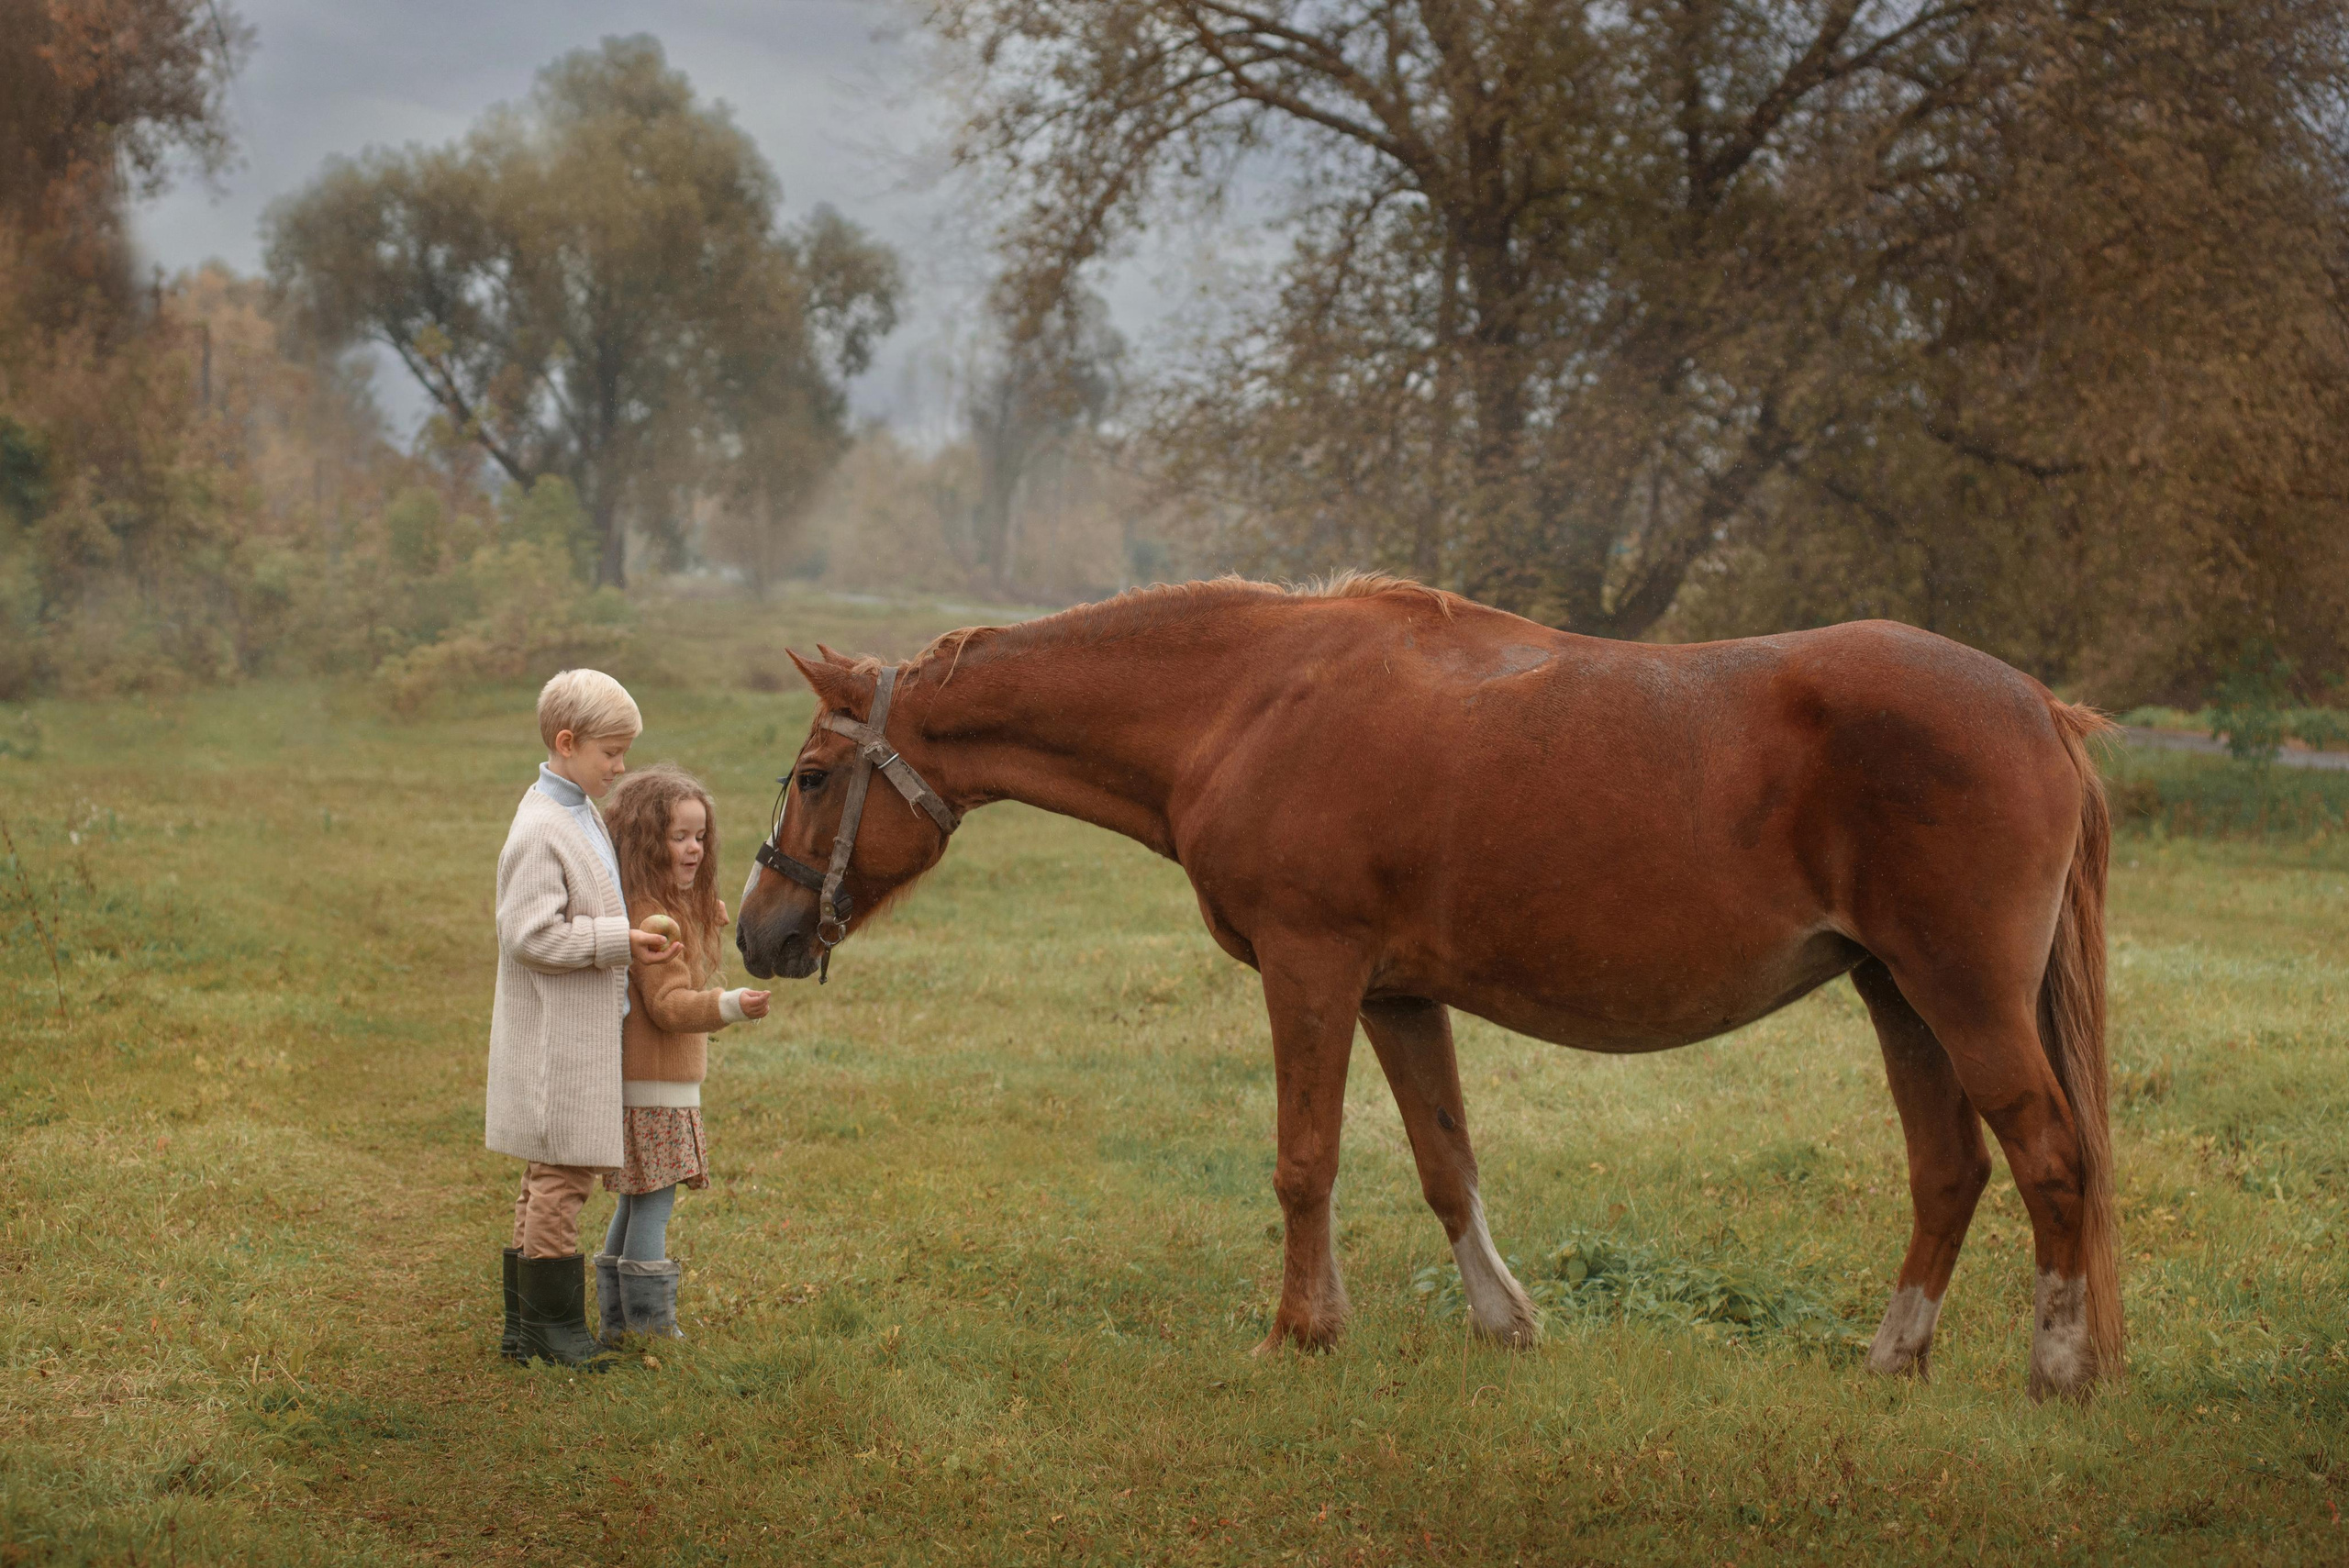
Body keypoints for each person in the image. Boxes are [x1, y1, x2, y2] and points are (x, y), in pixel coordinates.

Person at [486, 669, 678, 1370]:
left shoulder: (578, 812)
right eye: (611, 752)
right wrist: (616, 941)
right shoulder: (541, 828)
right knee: (560, 1180)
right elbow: (529, 935)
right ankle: (554, 1329)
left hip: (579, 1032)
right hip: (557, 1042)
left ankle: (525, 1327)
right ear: (567, 743)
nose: (620, 766)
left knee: (548, 1174)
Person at [596, 763, 770, 1341]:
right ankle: (649, 1327)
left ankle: (618, 1324)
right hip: (656, 1089)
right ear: (649, 843)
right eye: (679, 837)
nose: (694, 848)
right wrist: (730, 1005)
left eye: (700, 836)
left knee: (633, 1202)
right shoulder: (655, 918)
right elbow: (669, 1004)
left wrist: (700, 914)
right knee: (653, 1205)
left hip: (644, 1086)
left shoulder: (656, 903)